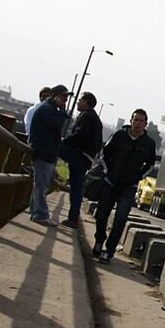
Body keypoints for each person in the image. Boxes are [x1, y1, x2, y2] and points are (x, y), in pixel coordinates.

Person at [94, 108, 157, 263]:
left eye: (141, 121)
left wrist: (138, 176)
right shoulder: (119, 135)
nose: (138, 123)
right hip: (111, 182)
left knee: (120, 219)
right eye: (135, 120)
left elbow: (150, 164)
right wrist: (108, 170)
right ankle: (99, 240)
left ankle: (109, 251)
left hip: (129, 187)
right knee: (101, 214)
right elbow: (104, 153)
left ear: (145, 124)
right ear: (131, 121)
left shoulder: (149, 143)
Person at [28, 84, 71, 226]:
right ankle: (40, 214)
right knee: (41, 185)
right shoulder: (47, 109)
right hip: (43, 152)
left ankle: (36, 212)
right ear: (54, 96)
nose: (65, 100)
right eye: (63, 96)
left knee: (40, 184)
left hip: (45, 152)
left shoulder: (49, 108)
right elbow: (55, 125)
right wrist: (63, 113)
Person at [59, 91, 103, 228]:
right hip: (85, 157)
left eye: (80, 100)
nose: (77, 102)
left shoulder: (86, 116)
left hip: (80, 155)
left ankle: (39, 166)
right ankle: (73, 217)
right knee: (76, 187)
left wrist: (64, 141)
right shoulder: (93, 118)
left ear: (86, 102)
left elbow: (79, 135)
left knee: (53, 145)